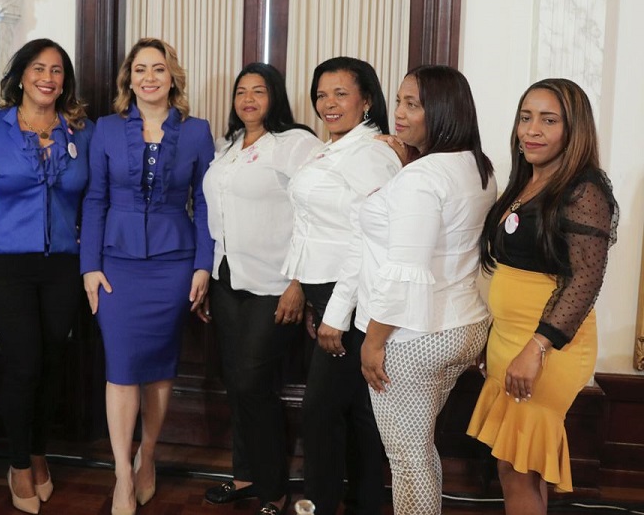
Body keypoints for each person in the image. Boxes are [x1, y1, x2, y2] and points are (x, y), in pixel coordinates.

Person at [322, 65, 496, 515]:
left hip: (413, 337)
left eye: (412, 104)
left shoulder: (424, 178)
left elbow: (406, 271)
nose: (398, 113)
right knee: (420, 449)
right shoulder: (477, 165)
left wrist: (373, 342)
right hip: (466, 326)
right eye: (399, 100)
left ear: (442, 110)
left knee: (407, 459)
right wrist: (407, 165)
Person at [467, 79, 618, 514]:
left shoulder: (584, 189)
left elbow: (585, 281)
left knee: (515, 469)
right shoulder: (526, 182)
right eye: (525, 117)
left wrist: (535, 348)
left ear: (574, 131)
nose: (531, 130)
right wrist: (497, 337)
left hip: (548, 346)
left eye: (548, 121)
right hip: (511, 340)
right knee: (521, 466)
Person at [80, 38, 213, 515]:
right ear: (128, 78)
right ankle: (120, 473)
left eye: (159, 68)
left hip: (174, 264)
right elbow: (95, 199)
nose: (149, 77)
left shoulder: (197, 132)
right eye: (140, 69)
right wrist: (89, 266)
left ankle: (147, 456)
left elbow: (206, 205)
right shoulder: (106, 130)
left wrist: (203, 264)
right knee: (121, 366)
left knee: (159, 367)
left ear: (172, 76)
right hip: (115, 264)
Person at [0, 38, 93, 515]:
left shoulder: (81, 131)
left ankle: (39, 451)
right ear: (20, 75)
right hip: (5, 265)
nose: (48, 78)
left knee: (51, 363)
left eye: (58, 71)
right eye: (39, 68)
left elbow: (91, 203)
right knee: (24, 363)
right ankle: (17, 462)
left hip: (62, 266)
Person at [201, 62, 323, 515]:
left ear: (275, 97)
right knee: (237, 384)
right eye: (240, 92)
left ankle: (274, 488)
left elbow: (314, 213)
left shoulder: (295, 144)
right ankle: (245, 474)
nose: (248, 99)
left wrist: (299, 284)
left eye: (258, 91)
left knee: (253, 383)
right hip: (228, 279)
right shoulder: (228, 145)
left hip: (276, 282)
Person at [283, 57, 399, 514]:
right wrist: (308, 294)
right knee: (352, 412)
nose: (328, 103)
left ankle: (325, 504)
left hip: (348, 298)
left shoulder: (370, 153)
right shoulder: (332, 147)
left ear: (366, 100)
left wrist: (334, 313)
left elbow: (367, 242)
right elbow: (312, 225)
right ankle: (359, 502)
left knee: (323, 413)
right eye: (321, 94)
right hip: (326, 293)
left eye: (341, 93)